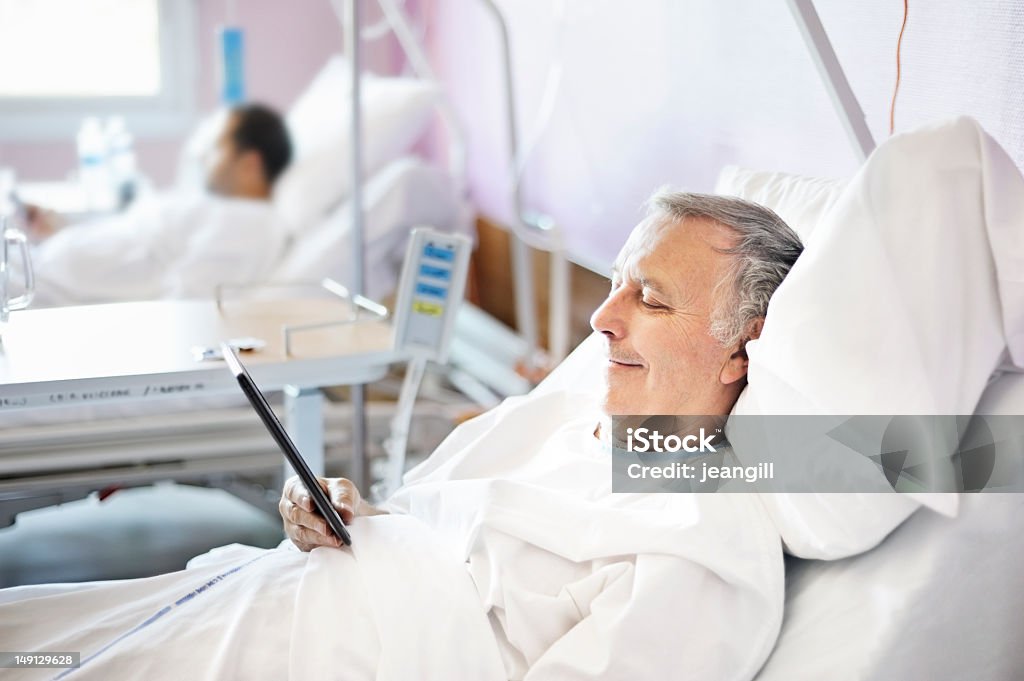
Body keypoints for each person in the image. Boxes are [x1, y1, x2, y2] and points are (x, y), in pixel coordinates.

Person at [0, 191, 805, 681]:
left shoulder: (701, 543)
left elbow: (920, 454)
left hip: (331, 652)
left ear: (743, 345)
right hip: (285, 592)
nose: (601, 318)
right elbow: (436, 535)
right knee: (32, 632)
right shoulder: (572, 424)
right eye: (616, 283)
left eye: (652, 300)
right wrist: (348, 516)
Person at [18, 103, 293, 306]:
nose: (201, 157)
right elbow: (140, 243)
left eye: (215, 147)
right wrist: (64, 231)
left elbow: (190, 303)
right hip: (41, 267)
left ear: (250, 165)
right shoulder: (222, 210)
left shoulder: (251, 223)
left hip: (47, 291)